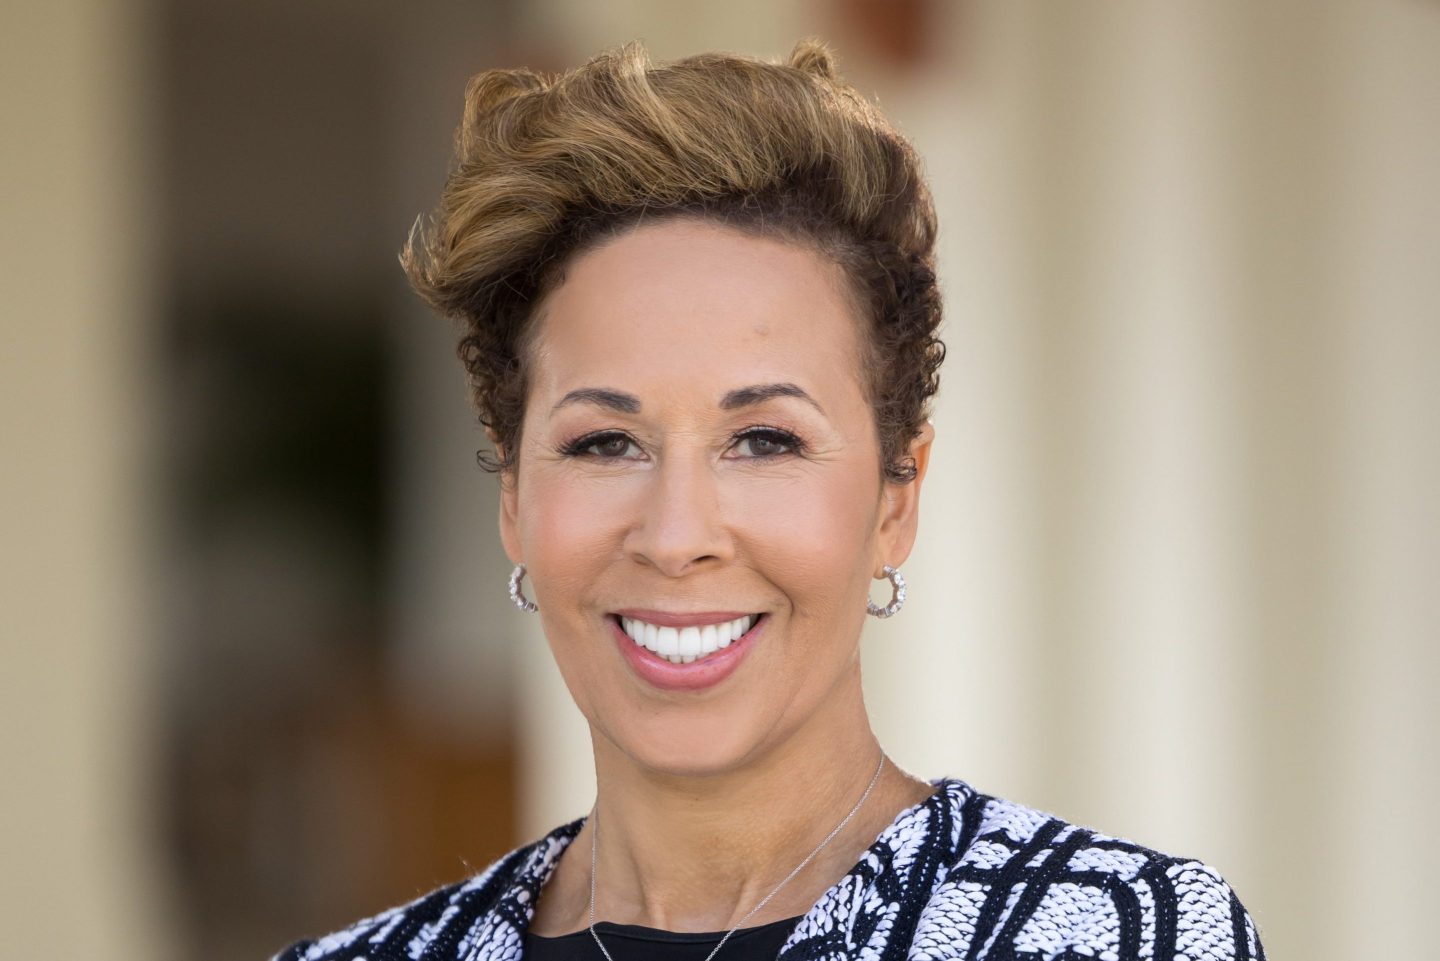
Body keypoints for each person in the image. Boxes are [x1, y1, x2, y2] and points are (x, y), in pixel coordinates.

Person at [272, 37, 1265, 961]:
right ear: (514, 499)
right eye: (605, 442)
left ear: (896, 499)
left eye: (764, 440)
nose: (677, 536)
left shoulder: (1123, 934)